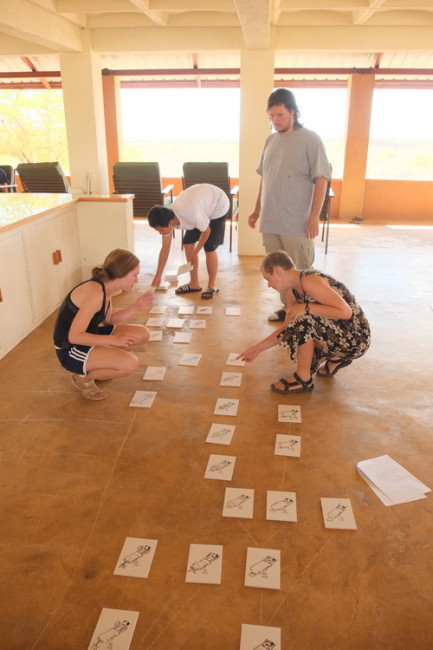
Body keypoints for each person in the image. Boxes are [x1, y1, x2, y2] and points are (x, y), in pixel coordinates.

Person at [248, 88, 332, 322]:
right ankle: (289, 309)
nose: (275, 121)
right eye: (271, 116)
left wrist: (314, 216)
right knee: (278, 271)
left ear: (293, 112)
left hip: (296, 222)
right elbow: (265, 177)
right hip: (271, 221)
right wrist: (257, 209)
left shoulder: (310, 139)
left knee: (301, 271)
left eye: (279, 115)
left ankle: (309, 313)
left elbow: (322, 178)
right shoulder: (270, 140)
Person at [238, 251, 371, 394]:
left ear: (277, 271)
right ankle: (337, 358)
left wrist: (306, 308)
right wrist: (257, 349)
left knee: (303, 321)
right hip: (339, 335)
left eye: (268, 278)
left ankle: (303, 380)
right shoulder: (292, 294)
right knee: (296, 331)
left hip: (357, 339)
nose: (269, 285)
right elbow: (286, 330)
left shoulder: (310, 280)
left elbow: (346, 312)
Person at [53, 248, 153, 401]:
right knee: (129, 364)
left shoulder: (106, 287)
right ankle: (82, 378)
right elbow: (74, 337)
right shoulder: (95, 293)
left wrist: (136, 307)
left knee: (142, 334)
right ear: (121, 274)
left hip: (88, 335)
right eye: (134, 275)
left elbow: (109, 320)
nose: (137, 280)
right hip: (70, 348)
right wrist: (113, 340)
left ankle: (98, 364)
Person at [148, 183, 230, 300]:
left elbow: (206, 231)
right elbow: (165, 249)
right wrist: (158, 275)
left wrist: (195, 253)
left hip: (218, 204)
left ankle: (212, 285)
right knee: (187, 243)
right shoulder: (168, 218)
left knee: (209, 247)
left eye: (160, 230)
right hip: (200, 204)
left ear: (170, 223)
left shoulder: (192, 214)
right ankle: (194, 284)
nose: (160, 233)